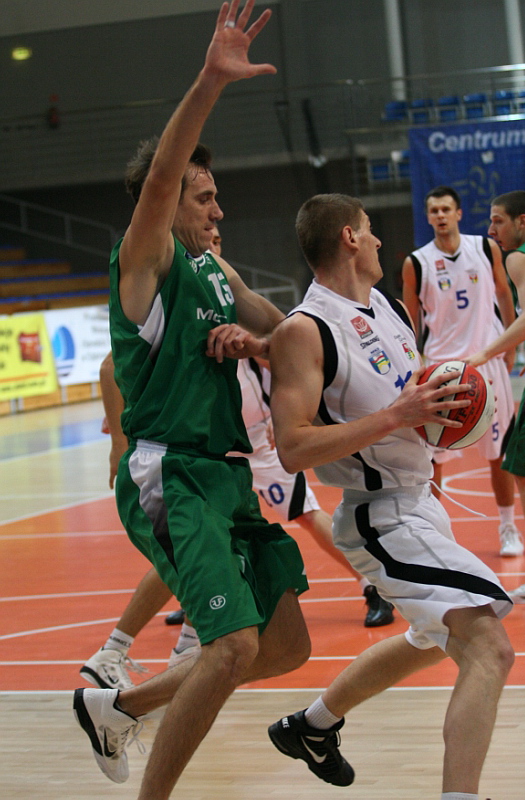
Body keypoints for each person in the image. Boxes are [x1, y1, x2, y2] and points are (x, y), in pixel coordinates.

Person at [73, 5, 312, 798]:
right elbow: (162, 175)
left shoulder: (216, 268)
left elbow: (282, 331)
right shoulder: (145, 260)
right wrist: (210, 79)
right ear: (167, 202)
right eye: (203, 197)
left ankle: (117, 708)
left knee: (285, 646)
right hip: (170, 471)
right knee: (232, 646)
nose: (217, 210)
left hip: (226, 475)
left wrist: (258, 342)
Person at [266, 193, 514, 799]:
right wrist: (395, 417)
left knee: (431, 637)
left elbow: (409, 399)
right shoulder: (305, 329)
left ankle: (311, 726)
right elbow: (292, 448)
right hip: (380, 518)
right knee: (489, 645)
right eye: (370, 229)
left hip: (422, 501)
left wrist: (435, 423)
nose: (380, 240)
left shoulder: (389, 307)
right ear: (349, 237)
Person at [81, 231, 394, 698]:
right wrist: (119, 442)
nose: (215, 227)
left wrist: (264, 349)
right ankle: (123, 650)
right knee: (263, 529)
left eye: (219, 233)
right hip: (206, 449)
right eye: (206, 211)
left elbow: (283, 340)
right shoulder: (169, 287)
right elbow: (111, 367)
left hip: (244, 445)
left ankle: (149, 649)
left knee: (240, 541)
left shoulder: (225, 289)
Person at [402, 185, 522, 557]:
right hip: (441, 369)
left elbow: (504, 293)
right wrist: (413, 363)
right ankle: (434, 533)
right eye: (433, 210)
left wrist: (510, 344)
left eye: (445, 209)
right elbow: (409, 319)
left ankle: (508, 527)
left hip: (486, 361)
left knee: (498, 452)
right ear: (428, 217)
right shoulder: (416, 262)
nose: (440, 215)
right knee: (432, 459)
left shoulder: (485, 248)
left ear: (458, 213)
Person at [466, 190, 525, 602]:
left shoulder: (520, 257)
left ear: (522, 221)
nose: (491, 230)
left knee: (521, 467)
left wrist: (485, 353)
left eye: (498, 221)